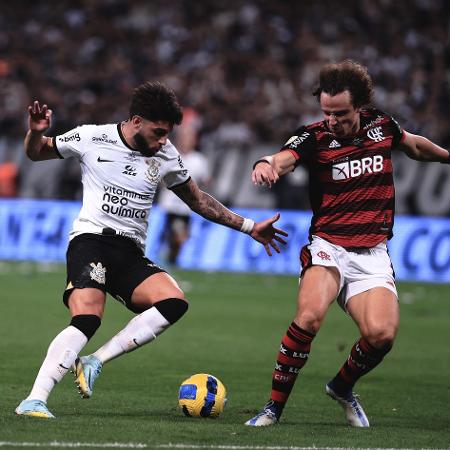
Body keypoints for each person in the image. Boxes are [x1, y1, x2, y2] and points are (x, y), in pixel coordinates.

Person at [15, 81, 288, 419]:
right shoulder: (91, 137)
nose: (163, 140)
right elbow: (37, 151)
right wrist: (35, 132)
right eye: (158, 132)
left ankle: (94, 362)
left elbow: (199, 201)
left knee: (174, 302)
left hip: (129, 252)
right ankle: (34, 399)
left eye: (167, 133)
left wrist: (248, 227)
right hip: (92, 240)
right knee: (87, 317)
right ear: (136, 121)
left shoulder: (167, 154)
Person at [245, 60, 450, 428]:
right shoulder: (313, 137)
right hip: (329, 246)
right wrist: (267, 164)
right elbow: (285, 157)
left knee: (381, 335)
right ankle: (273, 409)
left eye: (340, 113)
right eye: (326, 112)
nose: (333, 120)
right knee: (308, 318)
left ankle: (342, 387)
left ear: (360, 107)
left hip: (372, 251)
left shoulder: (382, 125)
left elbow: (413, 146)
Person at [157, 107, 210, 265]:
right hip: (171, 206)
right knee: (178, 236)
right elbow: (158, 178)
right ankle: (169, 253)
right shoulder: (170, 155)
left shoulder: (199, 160)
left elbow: (206, 181)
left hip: (188, 207)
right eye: (184, 137)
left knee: (182, 239)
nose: (187, 140)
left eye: (189, 137)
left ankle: (170, 258)